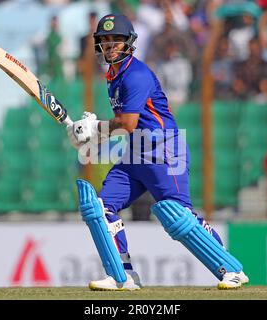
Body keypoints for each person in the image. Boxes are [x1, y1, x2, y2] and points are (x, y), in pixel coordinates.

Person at [66, 13, 248, 291]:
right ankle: (123, 275)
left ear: (129, 43)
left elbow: (127, 123)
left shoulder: (135, 74)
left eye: (117, 40)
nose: (111, 45)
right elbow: (126, 126)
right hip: (136, 153)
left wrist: (95, 128)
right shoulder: (112, 75)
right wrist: (90, 133)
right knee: (99, 209)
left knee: (178, 216)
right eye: (105, 40)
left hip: (164, 150)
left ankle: (231, 269)